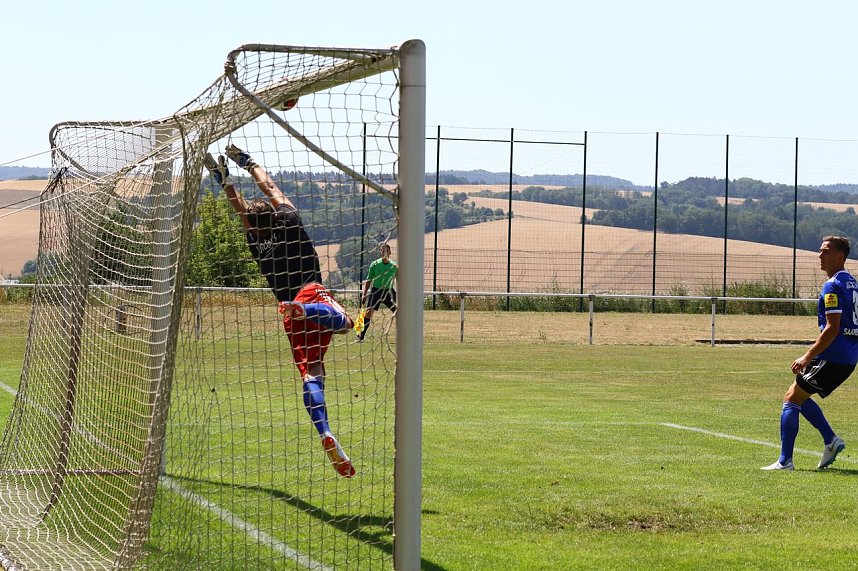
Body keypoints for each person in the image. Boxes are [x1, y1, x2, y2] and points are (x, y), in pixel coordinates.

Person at [205, 144, 356, 478]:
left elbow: (240, 210)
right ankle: (308, 309)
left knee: (312, 372)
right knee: (348, 323)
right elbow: (270, 188)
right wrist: (247, 163)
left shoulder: (254, 241)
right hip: (310, 295)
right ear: (273, 216)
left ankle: (325, 431)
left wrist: (224, 181)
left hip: (288, 312)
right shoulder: (287, 219)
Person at [761, 235, 858, 471]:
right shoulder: (853, 283)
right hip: (847, 357)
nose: (820, 255)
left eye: (826, 251)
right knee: (798, 396)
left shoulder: (833, 285)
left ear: (840, 257)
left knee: (791, 398)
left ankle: (785, 461)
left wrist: (807, 356)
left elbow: (832, 328)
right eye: (820, 250)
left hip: (833, 356)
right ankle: (830, 440)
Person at [356, 243, 398, 342]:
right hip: (376, 291)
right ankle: (361, 336)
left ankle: (405, 336)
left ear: (390, 252)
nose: (384, 252)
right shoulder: (374, 264)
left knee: (398, 312)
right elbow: (369, 280)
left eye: (386, 251)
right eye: (382, 251)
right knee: (368, 312)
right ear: (380, 252)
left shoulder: (394, 266)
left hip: (389, 292)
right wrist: (364, 294)